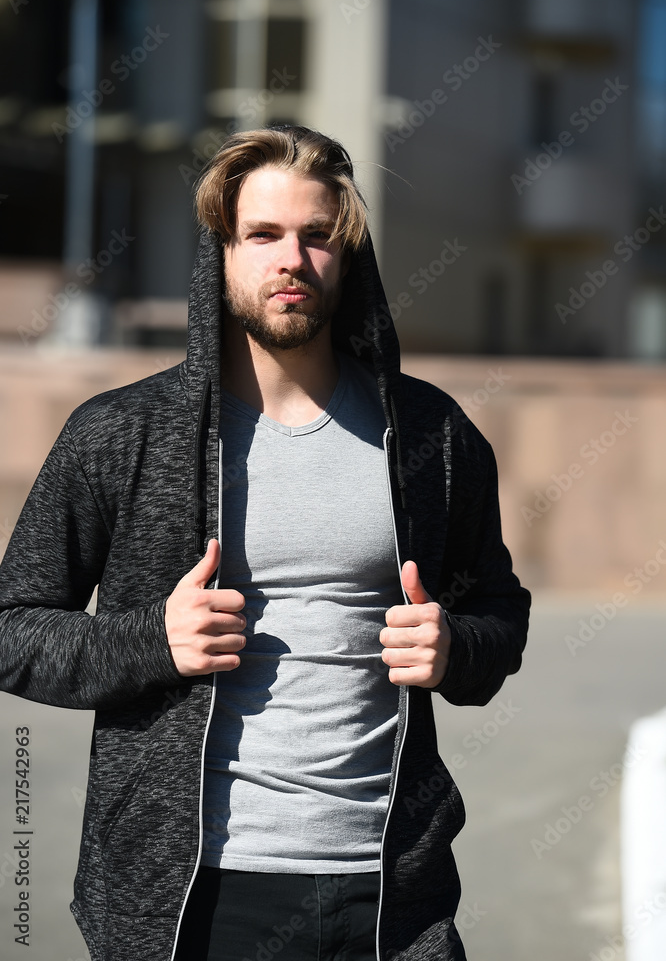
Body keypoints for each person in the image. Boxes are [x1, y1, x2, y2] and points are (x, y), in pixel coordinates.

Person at [0, 125, 530, 961]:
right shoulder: (121, 434)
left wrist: (456, 647)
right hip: (195, 897)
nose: (293, 259)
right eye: (264, 235)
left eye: (317, 236)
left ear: (347, 255)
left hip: (393, 893)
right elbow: (13, 628)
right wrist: (152, 641)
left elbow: (500, 613)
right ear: (221, 251)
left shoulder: (432, 436)